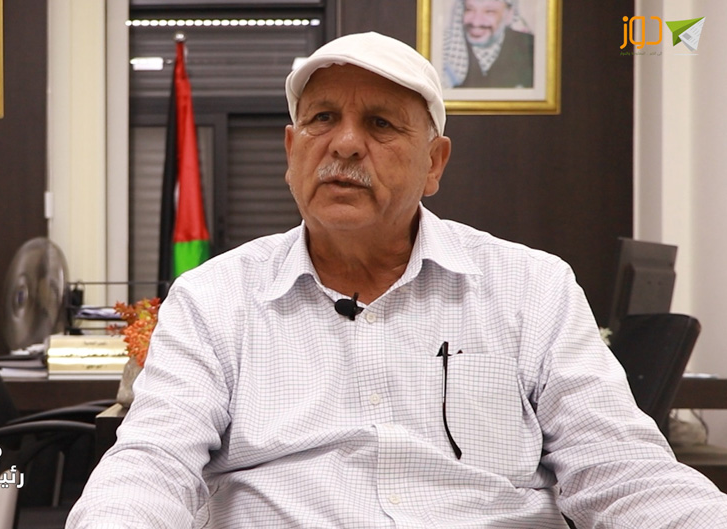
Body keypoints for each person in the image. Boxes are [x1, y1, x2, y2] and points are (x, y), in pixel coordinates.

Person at [67, 32, 727, 528]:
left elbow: (620, 467)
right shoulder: (213, 299)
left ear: (434, 163)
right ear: (292, 152)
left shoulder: (534, 289)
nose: (345, 144)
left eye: (380, 124)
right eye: (323, 119)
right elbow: (152, 462)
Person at [443, 0, 534, 88]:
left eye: (489, 12)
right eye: (469, 9)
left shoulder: (530, 47)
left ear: (509, 15)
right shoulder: (446, 48)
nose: (476, 22)